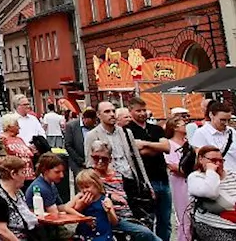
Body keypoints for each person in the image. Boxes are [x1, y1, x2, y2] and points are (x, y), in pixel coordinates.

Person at [81, 140, 159, 241]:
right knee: (145, 233)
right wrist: (110, 196)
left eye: (104, 159)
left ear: (110, 159)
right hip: (108, 217)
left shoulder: (119, 175)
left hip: (128, 215)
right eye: (96, 158)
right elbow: (88, 194)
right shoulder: (89, 176)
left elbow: (132, 195)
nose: (100, 161)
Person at [125, 96, 172, 241]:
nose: (142, 113)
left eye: (144, 110)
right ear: (130, 111)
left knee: (165, 221)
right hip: (144, 182)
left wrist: (144, 144)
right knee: (147, 221)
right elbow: (134, 152)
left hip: (163, 180)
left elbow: (166, 147)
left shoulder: (156, 128)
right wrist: (155, 147)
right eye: (138, 110)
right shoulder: (127, 131)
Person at [186, 144, 236, 241]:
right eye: (213, 161)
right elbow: (211, 193)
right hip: (214, 226)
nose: (218, 164)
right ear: (201, 159)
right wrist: (211, 171)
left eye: (221, 161)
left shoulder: (232, 175)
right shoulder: (196, 177)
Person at [0, 155, 40, 241]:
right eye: (23, 172)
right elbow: (0, 230)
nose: (25, 176)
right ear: (13, 174)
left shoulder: (19, 192)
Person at [162, 116, 192, 241]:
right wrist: (188, 171)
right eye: (182, 124)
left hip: (192, 181)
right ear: (174, 127)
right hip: (178, 182)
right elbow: (171, 165)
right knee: (183, 215)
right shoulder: (169, 144)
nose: (185, 126)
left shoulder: (189, 143)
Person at [72, 169, 117, 241]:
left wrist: (109, 211)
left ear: (97, 185)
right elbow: (69, 210)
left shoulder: (105, 200)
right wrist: (79, 208)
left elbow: (114, 222)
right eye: (81, 188)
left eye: (87, 187)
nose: (84, 190)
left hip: (102, 235)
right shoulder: (80, 199)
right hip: (84, 234)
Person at [0, 113, 36, 180]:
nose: (19, 127)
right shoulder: (2, 139)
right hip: (16, 177)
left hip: (30, 176)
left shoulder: (19, 139)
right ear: (9, 126)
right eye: (17, 125)